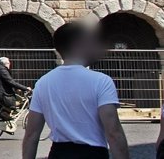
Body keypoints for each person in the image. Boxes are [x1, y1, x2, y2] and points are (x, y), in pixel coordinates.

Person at [22, 22, 128, 159]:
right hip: (92, 154)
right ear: (79, 44)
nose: (97, 47)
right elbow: (113, 133)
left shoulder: (43, 83)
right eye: (92, 42)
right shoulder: (101, 81)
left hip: (58, 153)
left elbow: (31, 135)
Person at [0, 56, 30, 134]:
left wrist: (16, 88)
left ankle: (8, 125)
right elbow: (10, 81)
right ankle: (8, 122)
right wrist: (25, 88)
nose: (9, 64)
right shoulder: (2, 71)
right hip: (1, 94)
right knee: (11, 104)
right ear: (5, 64)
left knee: (15, 101)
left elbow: (5, 82)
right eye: (8, 63)